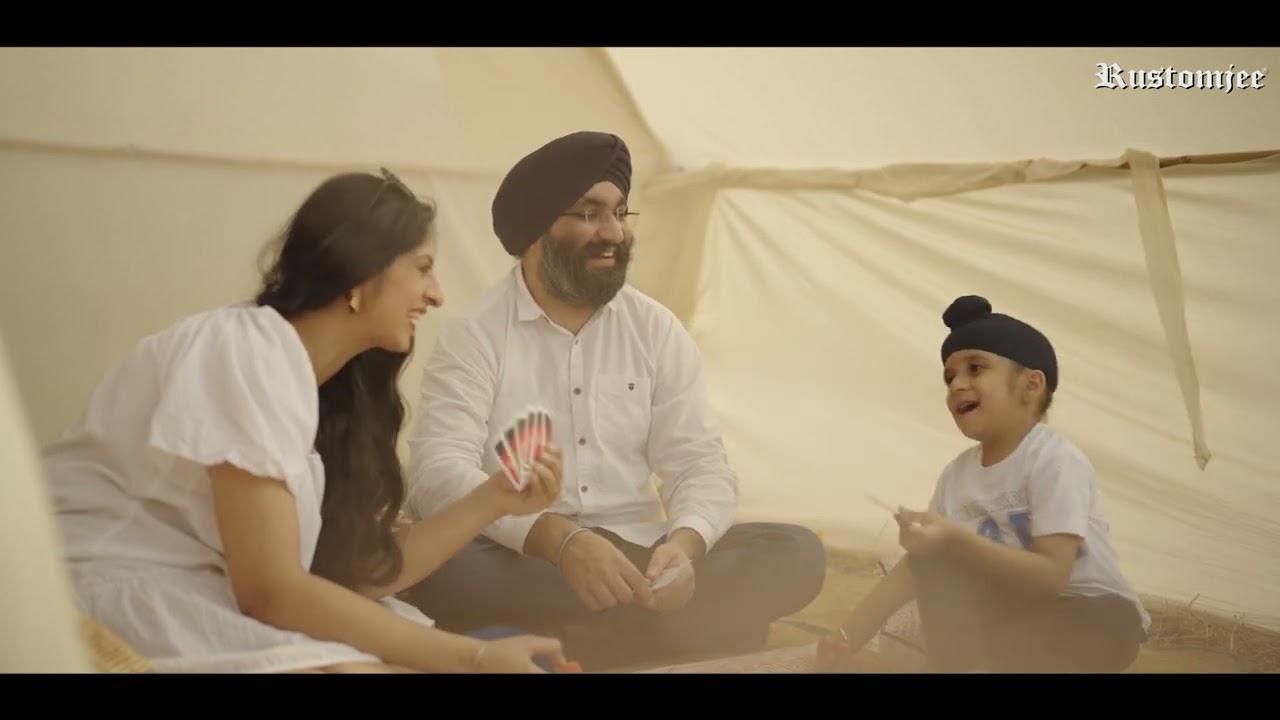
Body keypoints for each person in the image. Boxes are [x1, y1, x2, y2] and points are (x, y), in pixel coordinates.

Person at [41, 168, 570, 673]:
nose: (436, 294)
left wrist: (494, 499)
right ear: (360, 272)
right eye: (423, 267)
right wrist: (471, 658)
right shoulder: (242, 350)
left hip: (199, 593)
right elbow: (271, 592)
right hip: (100, 595)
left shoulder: (316, 395)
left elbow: (356, 576)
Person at [400, 130, 827, 670]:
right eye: (588, 214)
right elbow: (438, 473)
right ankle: (680, 635)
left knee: (795, 553)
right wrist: (558, 541)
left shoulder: (655, 329)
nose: (614, 233)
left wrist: (684, 547)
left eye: (621, 213)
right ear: (536, 229)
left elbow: (699, 462)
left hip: (640, 556)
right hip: (524, 557)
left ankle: (573, 639)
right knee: (444, 569)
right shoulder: (476, 334)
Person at [819, 295, 1150, 673]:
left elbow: (1051, 578)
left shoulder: (1054, 460)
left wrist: (955, 539)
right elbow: (912, 571)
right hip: (1014, 616)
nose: (957, 384)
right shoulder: (956, 477)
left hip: (1089, 615)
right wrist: (844, 638)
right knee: (934, 562)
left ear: (1031, 385)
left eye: (975, 369)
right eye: (949, 377)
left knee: (1081, 632)